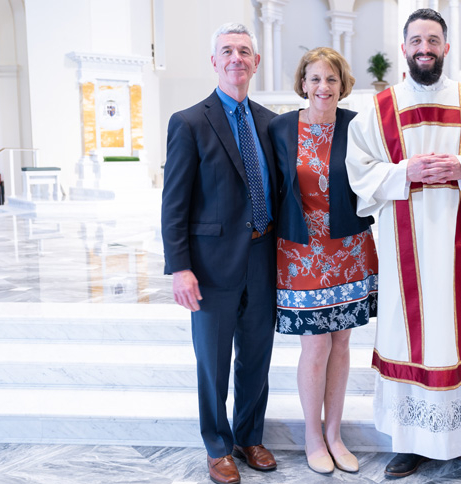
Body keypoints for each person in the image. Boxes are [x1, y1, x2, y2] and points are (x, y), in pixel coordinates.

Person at [345, 8, 461, 481]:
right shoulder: (381, 107)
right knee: (407, 336)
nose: (424, 48)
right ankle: (410, 441)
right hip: (403, 248)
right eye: (416, 40)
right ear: (404, 47)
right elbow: (360, 171)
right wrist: (403, 173)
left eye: (433, 40)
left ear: (446, 47)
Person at [161, 22, 278, 484]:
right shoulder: (189, 122)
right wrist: (180, 268)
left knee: (257, 355)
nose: (236, 58)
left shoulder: (270, 123)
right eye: (227, 51)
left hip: (263, 257)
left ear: (256, 62)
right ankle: (217, 445)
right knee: (212, 361)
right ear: (214, 61)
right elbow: (174, 203)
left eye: (244, 51)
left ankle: (250, 436)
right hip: (210, 266)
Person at [268, 47, 378, 475]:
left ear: (342, 84)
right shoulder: (280, 128)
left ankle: (335, 433)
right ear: (303, 83)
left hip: (349, 250)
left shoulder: (357, 125)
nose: (322, 87)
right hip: (301, 253)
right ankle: (313, 436)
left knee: (343, 342)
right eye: (314, 78)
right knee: (315, 345)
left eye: (330, 79)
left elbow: (374, 177)